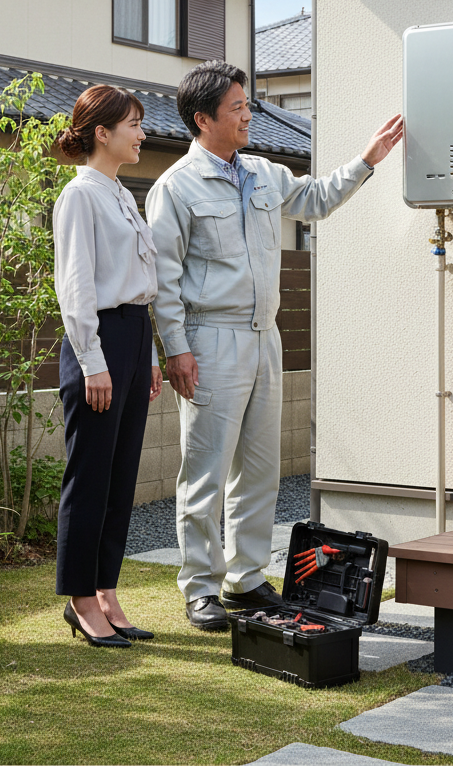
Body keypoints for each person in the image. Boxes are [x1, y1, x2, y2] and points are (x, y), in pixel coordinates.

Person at [146, 60, 404, 630]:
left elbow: (315, 198)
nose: (247, 116)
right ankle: (200, 587)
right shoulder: (176, 188)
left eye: (247, 105)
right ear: (203, 118)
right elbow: (162, 280)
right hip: (208, 340)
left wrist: (367, 161)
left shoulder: (262, 173)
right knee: (206, 470)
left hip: (266, 339)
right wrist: (175, 349)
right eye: (237, 107)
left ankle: (246, 578)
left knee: (261, 469)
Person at [53, 84, 164, 648]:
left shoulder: (122, 193)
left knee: (121, 479)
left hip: (130, 337)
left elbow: (138, 288)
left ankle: (106, 591)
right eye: (134, 124)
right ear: (103, 132)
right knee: (90, 477)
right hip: (96, 343)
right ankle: (79, 598)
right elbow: (77, 289)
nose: (142, 133)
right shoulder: (81, 196)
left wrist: (147, 357)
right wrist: (95, 363)